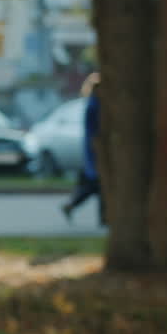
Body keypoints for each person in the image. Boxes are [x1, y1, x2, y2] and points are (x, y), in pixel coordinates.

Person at [61, 72, 104, 225]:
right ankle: (103, 218)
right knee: (97, 185)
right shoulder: (95, 105)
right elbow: (95, 131)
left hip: (93, 149)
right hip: (95, 149)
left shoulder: (93, 103)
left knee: (95, 185)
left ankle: (71, 205)